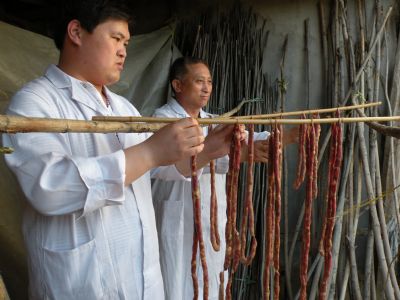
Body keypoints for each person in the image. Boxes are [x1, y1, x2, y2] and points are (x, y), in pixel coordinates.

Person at [0, 2, 223, 299]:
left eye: (127, 43)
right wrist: (149, 153)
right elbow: (49, 188)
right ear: (76, 32)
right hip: (82, 285)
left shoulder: (122, 107)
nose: (123, 51)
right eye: (116, 38)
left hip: (144, 280)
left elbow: (155, 171)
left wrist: (211, 150)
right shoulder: (34, 103)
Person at [151, 57, 297, 300]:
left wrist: (285, 137)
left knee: (212, 278)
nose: (207, 88)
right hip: (177, 219)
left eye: (209, 82)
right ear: (177, 85)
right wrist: (233, 153)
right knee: (177, 280)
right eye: (199, 81)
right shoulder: (162, 120)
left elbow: (246, 140)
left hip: (212, 221)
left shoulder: (214, 121)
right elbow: (174, 163)